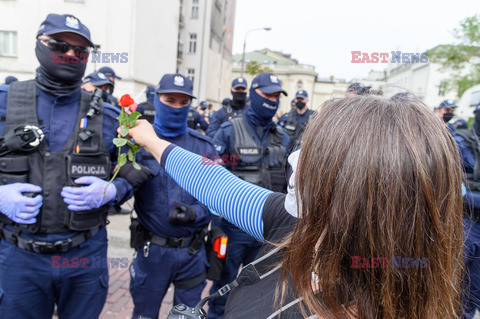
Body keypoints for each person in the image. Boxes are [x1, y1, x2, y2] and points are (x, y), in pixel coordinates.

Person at [127, 93, 463, 318]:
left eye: (315, 153)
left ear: (365, 190)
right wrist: (153, 142)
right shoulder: (298, 223)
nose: (293, 159)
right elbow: (219, 185)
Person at [0, 14, 133, 318]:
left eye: (81, 51)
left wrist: (114, 189)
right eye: (60, 45)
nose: (71, 54)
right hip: (20, 256)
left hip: (84, 256)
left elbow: (140, 167)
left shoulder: (110, 116)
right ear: (39, 44)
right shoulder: (5, 103)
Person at [125, 73, 218, 319]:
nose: (177, 106)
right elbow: (120, 189)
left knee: (188, 316)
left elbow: (217, 197)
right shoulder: (137, 142)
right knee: (144, 314)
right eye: (170, 100)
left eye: (183, 101)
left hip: (191, 253)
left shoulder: (204, 147)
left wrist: (194, 212)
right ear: (156, 99)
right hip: (152, 253)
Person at [209, 72, 289, 319]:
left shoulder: (283, 136)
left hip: (269, 232)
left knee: (262, 294)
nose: (272, 100)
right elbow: (211, 179)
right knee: (223, 290)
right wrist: (215, 226)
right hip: (234, 230)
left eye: (277, 95)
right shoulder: (228, 131)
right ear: (254, 93)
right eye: (267, 94)